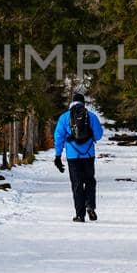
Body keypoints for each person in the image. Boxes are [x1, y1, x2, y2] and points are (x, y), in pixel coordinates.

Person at [53, 92, 104, 222]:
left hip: (73, 156)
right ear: (83, 103)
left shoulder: (64, 117)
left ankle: (80, 215)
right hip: (88, 155)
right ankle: (90, 206)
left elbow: (58, 137)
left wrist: (58, 156)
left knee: (77, 184)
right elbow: (98, 135)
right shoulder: (91, 116)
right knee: (90, 181)